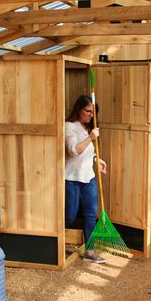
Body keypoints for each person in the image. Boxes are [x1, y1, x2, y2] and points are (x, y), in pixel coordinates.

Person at [65, 95, 107, 264]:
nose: (91, 115)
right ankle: (55, 241)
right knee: (70, 216)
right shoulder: (69, 127)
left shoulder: (88, 129)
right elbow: (74, 151)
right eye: (87, 111)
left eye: (93, 112)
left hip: (88, 178)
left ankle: (90, 251)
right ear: (79, 110)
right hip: (72, 179)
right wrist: (90, 137)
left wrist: (97, 159)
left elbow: (89, 151)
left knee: (91, 215)